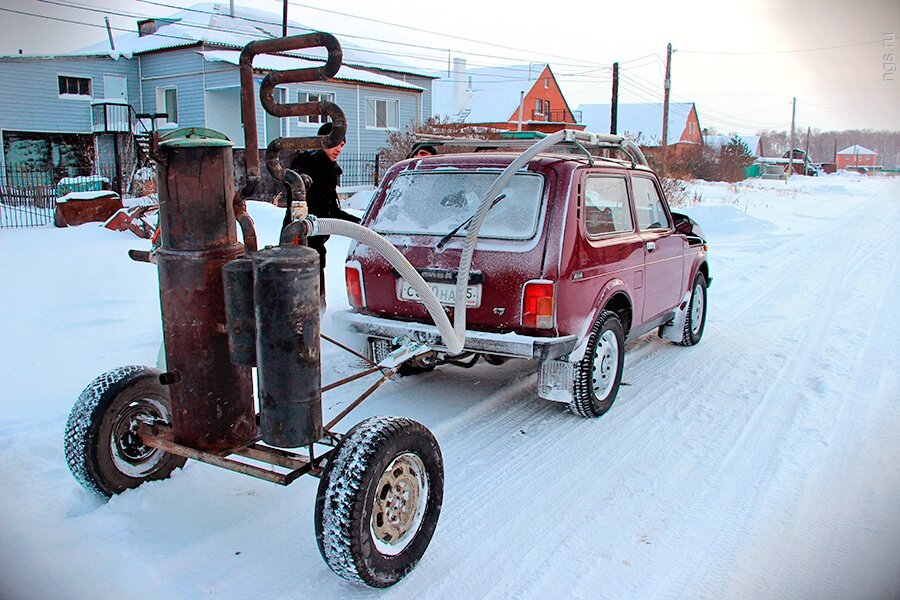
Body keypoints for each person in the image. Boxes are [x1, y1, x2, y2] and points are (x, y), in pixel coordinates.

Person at [282, 122, 360, 307]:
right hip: (298, 237)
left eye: (342, 145)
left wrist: (361, 223)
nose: (339, 149)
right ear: (322, 141)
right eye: (335, 143)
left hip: (316, 242)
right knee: (297, 288)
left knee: (316, 289)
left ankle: (319, 320)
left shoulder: (330, 171)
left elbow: (331, 210)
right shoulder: (305, 162)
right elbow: (294, 182)